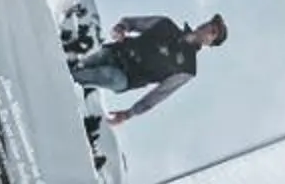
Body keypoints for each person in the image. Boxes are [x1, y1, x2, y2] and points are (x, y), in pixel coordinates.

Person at [66, 12, 227, 127]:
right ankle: (61, 76)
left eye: (212, 32)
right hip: (115, 52)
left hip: (126, 77)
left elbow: (159, 94)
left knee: (105, 75)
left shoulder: (188, 69)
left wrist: (129, 113)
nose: (207, 28)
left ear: (210, 44)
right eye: (209, 24)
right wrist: (121, 28)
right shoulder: (166, 24)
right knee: (82, 67)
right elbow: (132, 23)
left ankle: (62, 82)